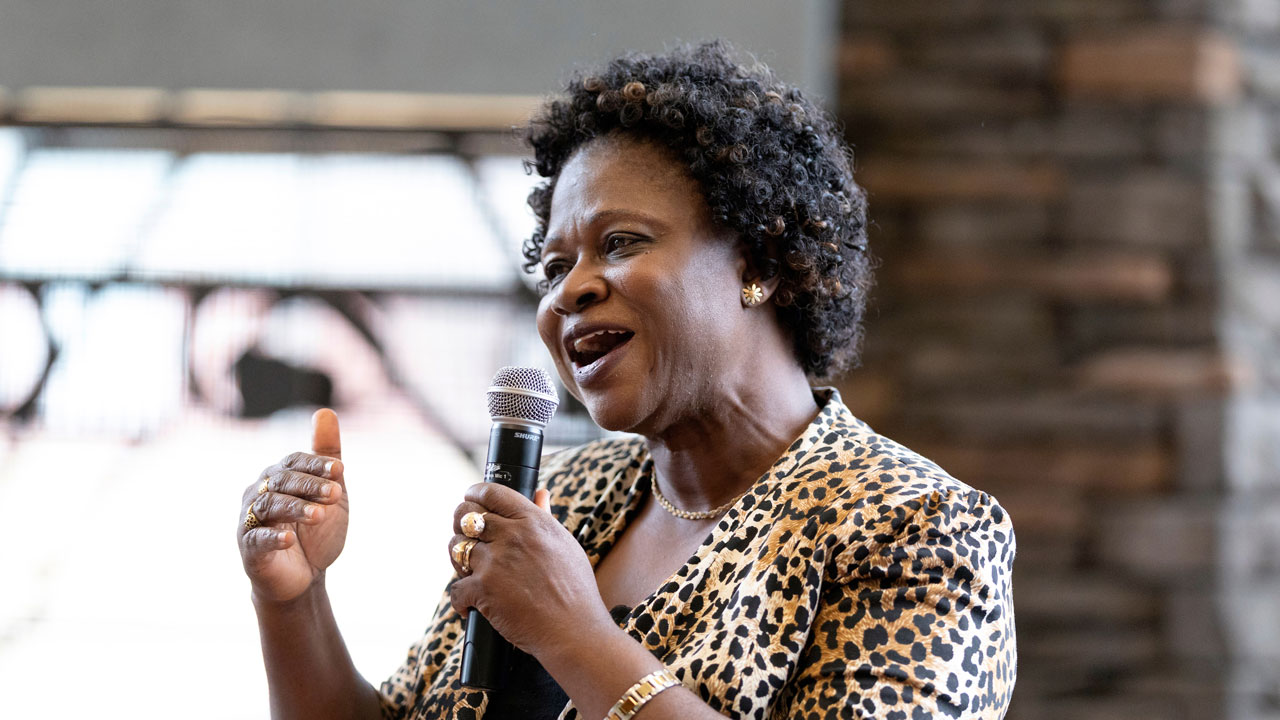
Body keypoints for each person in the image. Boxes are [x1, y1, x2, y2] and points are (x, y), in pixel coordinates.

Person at [237, 41, 1017, 720]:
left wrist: (576, 637)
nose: (568, 291)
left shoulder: (916, 529)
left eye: (619, 242)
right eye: (552, 267)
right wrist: (292, 597)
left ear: (759, 264)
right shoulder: (565, 499)